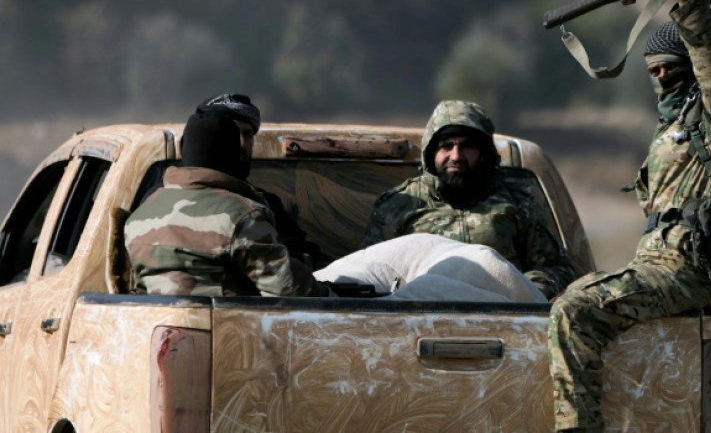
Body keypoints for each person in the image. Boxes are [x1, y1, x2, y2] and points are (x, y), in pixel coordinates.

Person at [547, 0, 711, 432]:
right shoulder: (673, 130)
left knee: (575, 310)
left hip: (694, 271)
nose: (662, 78)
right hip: (660, 267)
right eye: (654, 72)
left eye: (670, 68)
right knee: (566, 293)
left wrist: (690, 2)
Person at [362, 100, 576, 299]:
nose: (456, 156)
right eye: (446, 146)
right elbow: (370, 276)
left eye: (467, 146)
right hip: (418, 320)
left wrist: (519, 294)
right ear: (431, 153)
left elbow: (556, 270)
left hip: (503, 323)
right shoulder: (399, 205)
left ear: (483, 153)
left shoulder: (517, 201)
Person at [125, 112, 331, 297]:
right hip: (229, 334)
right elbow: (289, 291)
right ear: (234, 152)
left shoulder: (139, 216)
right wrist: (332, 295)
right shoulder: (242, 216)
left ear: (183, 148)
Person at [193, 93, 330, 269]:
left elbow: (303, 263)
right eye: (233, 133)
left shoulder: (265, 204)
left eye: (248, 134)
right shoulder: (168, 198)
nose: (242, 143)